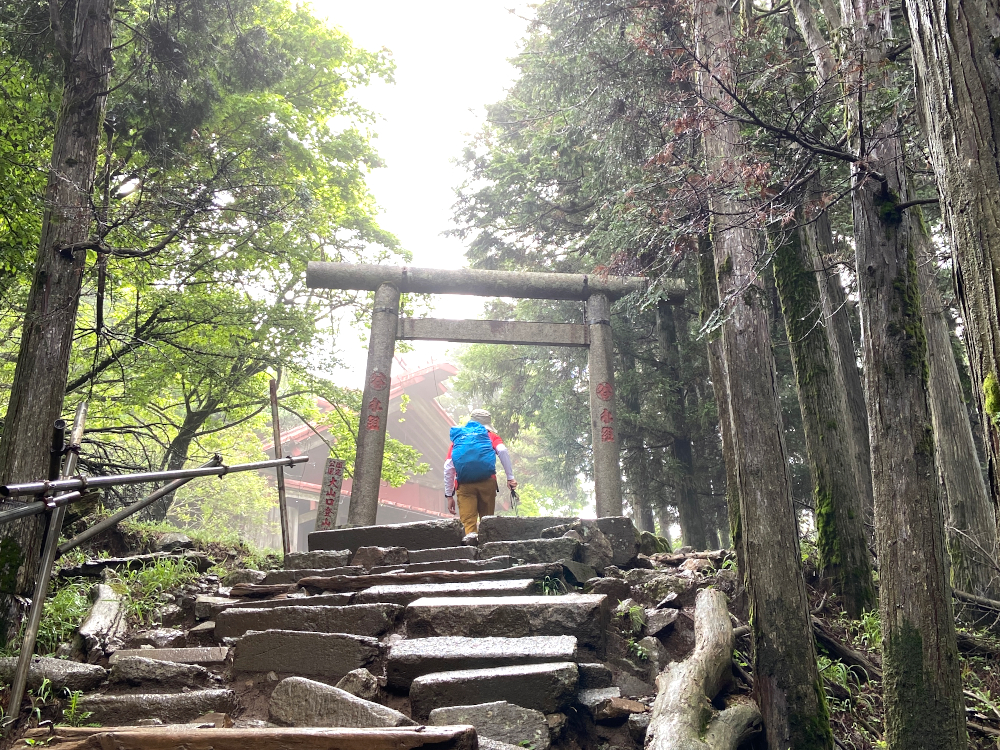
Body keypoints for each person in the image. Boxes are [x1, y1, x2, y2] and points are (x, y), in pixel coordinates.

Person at [444, 408, 517, 534]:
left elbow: (448, 467)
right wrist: (510, 477)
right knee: (486, 521)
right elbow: (503, 451)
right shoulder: (491, 435)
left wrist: (449, 495)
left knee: (468, 522)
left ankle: (470, 548)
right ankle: (487, 549)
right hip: (487, 482)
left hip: (464, 485)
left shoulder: (459, 437)